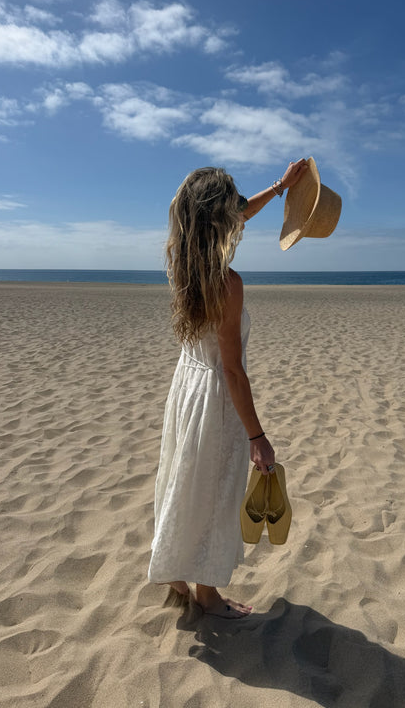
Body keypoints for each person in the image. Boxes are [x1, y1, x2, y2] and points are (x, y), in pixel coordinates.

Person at [148, 158, 308, 618]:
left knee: (183, 481)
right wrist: (258, 437)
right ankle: (208, 594)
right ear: (220, 220)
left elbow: (237, 214)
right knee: (215, 492)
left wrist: (280, 187)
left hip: (187, 387)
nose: (239, 218)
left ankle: (176, 576)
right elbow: (234, 371)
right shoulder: (227, 283)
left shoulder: (183, 260)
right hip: (215, 396)